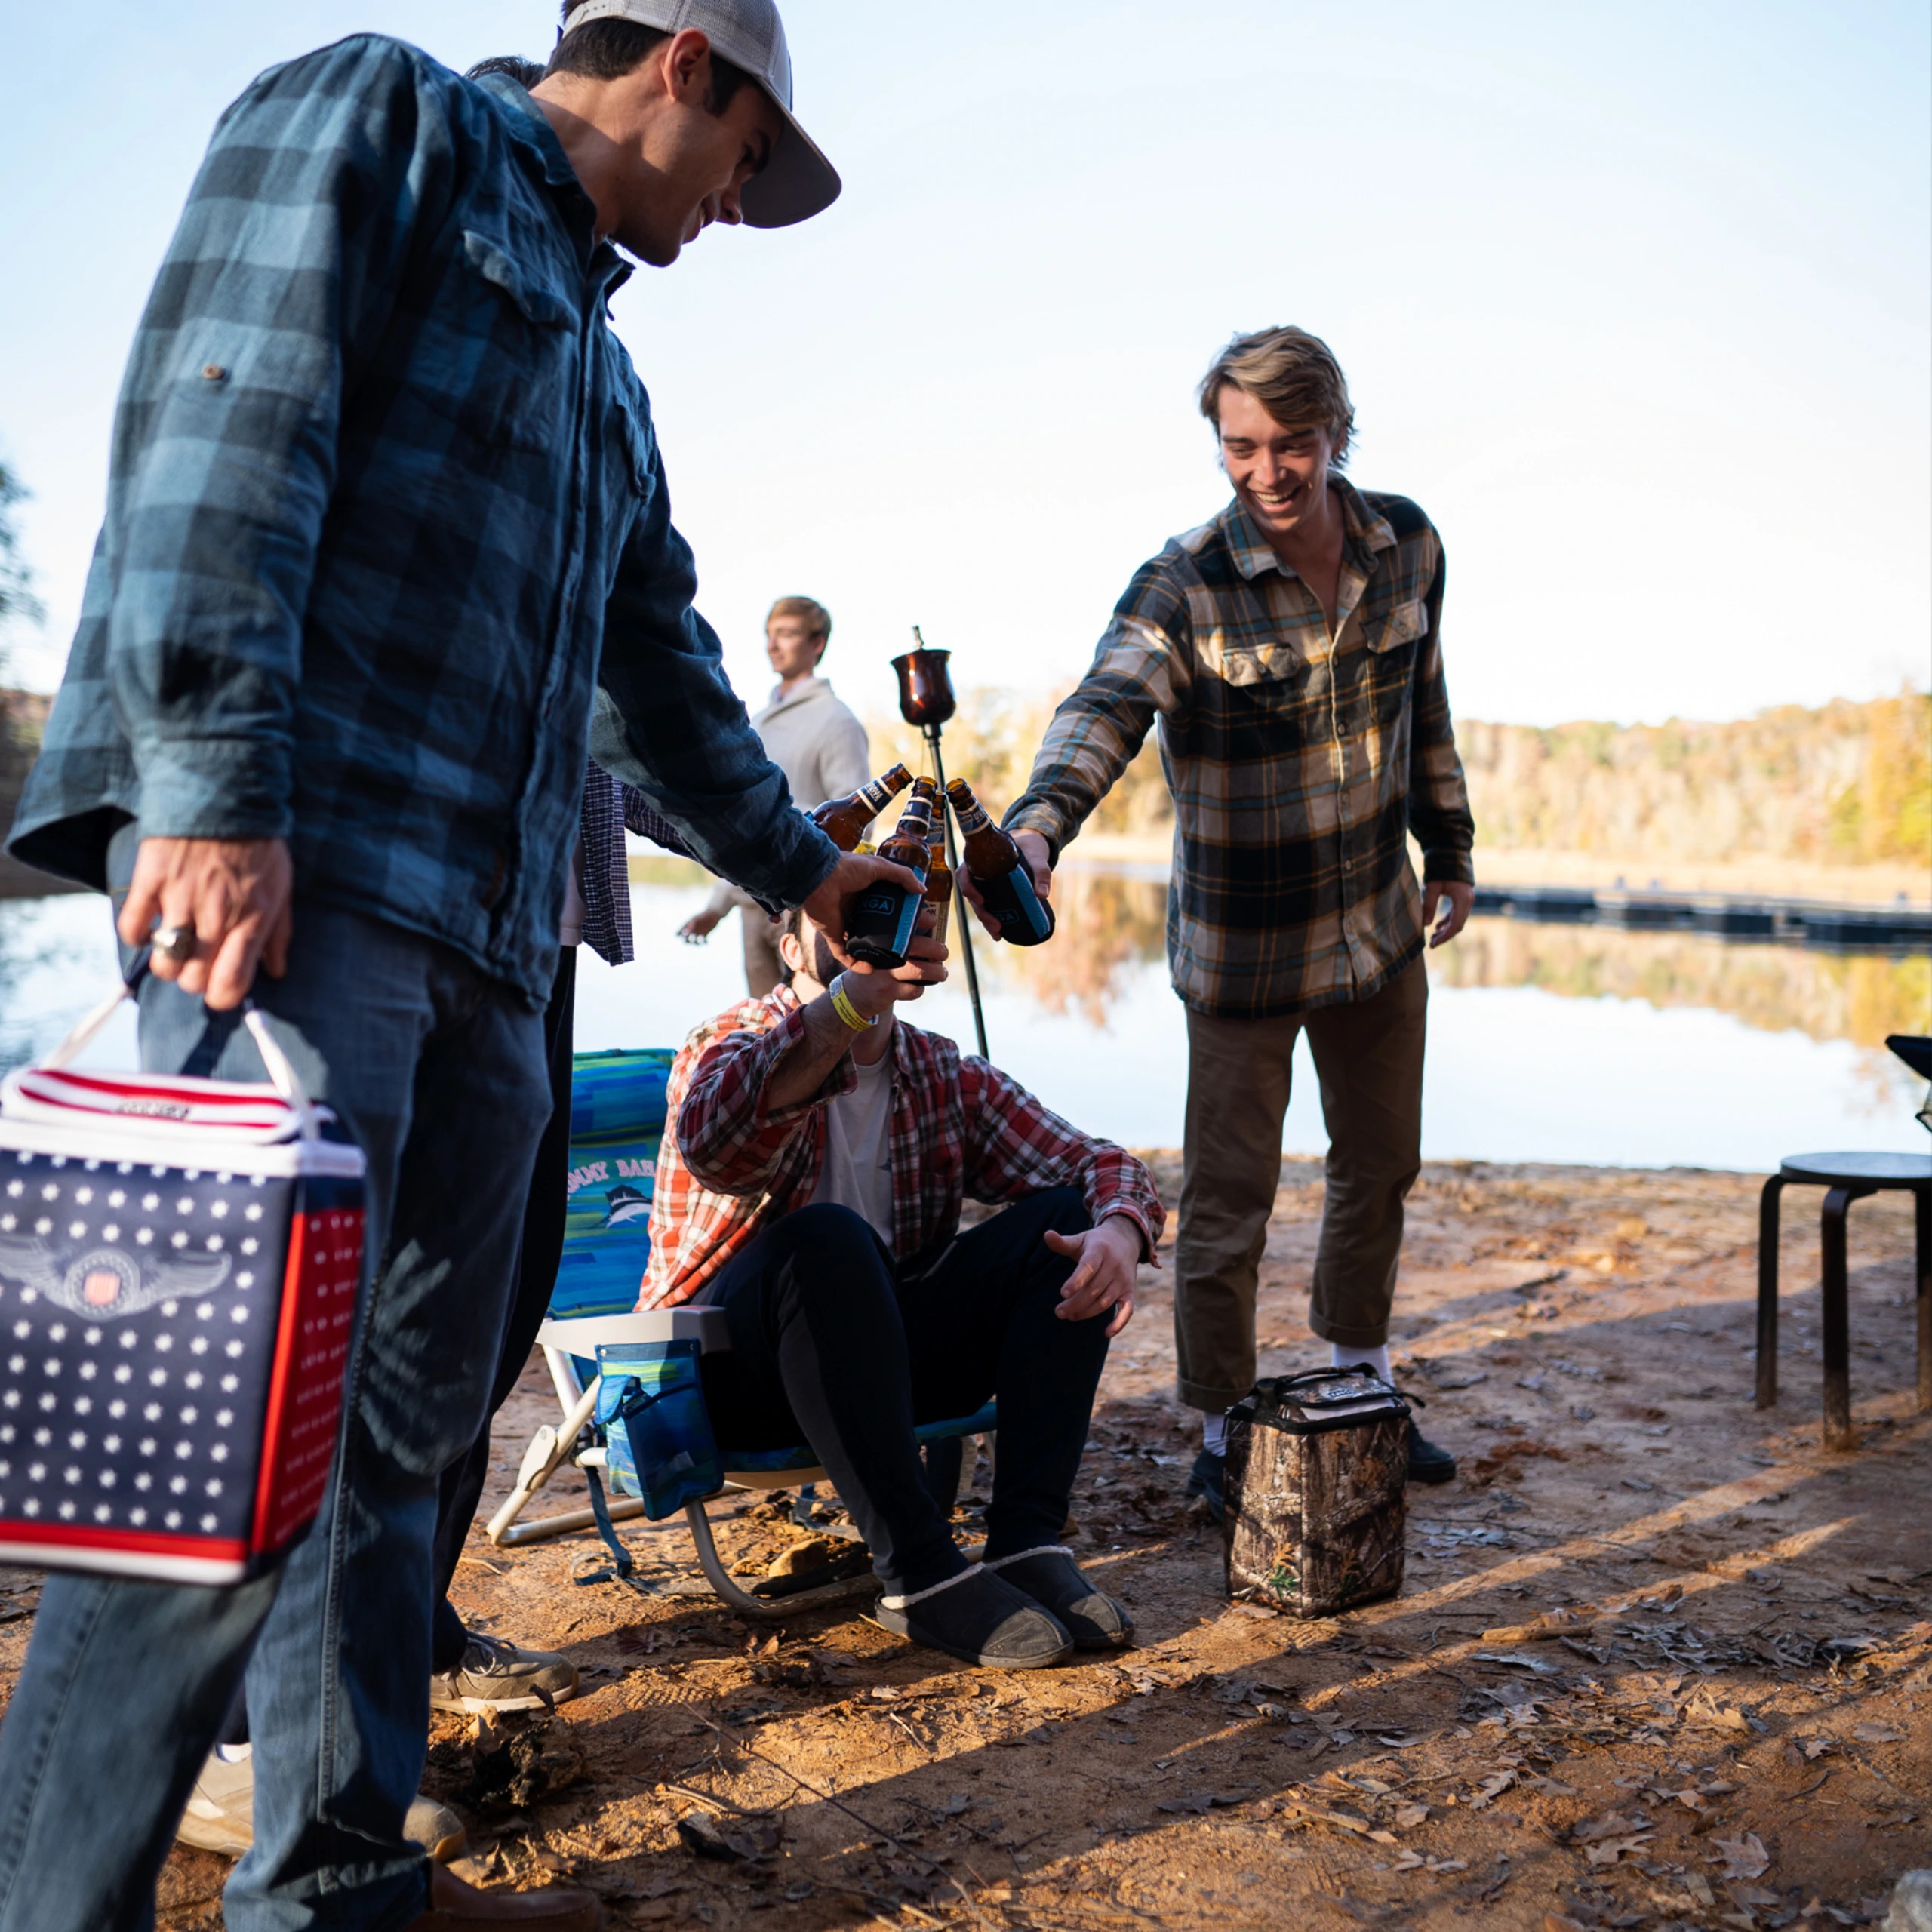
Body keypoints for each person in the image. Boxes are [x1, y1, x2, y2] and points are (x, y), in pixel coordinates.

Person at [0, 8, 917, 1929]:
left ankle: (332, 1883)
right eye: (751, 157)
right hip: (298, 895)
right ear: (684, 64)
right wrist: (211, 783)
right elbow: (224, 419)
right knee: (210, 1450)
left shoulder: (604, 372)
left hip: (494, 952)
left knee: (401, 1444)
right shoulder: (388, 123)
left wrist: (802, 865)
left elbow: (656, 676)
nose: (739, 204)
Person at [997, 326, 1475, 1517]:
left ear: (1337, 432)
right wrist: (1039, 829)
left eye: (1291, 444)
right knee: (1227, 1203)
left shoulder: (1410, 544)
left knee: (1380, 1167)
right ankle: (1218, 1426)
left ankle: (1362, 1379)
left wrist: (1451, 846)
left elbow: (1426, 706)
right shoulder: (1184, 581)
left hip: (1377, 931)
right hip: (1242, 952)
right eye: (1241, 446)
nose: (1267, 472)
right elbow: (1105, 706)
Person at [641, 902, 1165, 1670]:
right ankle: (919, 1573)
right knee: (828, 1239)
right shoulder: (731, 1039)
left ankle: (1026, 1544)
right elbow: (717, 1143)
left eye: (887, 912)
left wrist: (1119, 1226)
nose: (872, 935)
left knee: (1065, 1222)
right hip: (726, 1377)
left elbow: (1098, 1162)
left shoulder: (939, 1071)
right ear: (792, 949)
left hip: (874, 1378)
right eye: (841, 918)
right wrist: (848, 1004)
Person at [679, 595, 870, 993]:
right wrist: (717, 906)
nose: (772, 645)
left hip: (807, 910)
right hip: (753, 910)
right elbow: (744, 822)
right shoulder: (757, 722)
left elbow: (860, 826)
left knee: (814, 1021)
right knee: (764, 1024)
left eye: (786, 633)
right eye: (769, 634)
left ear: (817, 643)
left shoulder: (837, 721)